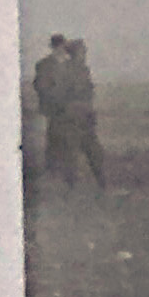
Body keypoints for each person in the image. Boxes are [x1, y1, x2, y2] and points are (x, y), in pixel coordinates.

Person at [49, 39, 107, 190]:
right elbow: (60, 94)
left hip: (85, 118)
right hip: (72, 119)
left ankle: (102, 186)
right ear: (76, 53)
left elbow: (88, 93)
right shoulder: (66, 71)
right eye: (82, 51)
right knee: (72, 155)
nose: (84, 54)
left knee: (94, 153)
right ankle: (71, 189)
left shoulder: (83, 70)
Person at [32, 34, 72, 180]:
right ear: (55, 47)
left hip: (68, 107)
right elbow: (39, 85)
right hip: (53, 108)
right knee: (54, 136)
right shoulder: (44, 65)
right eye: (59, 46)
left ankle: (64, 168)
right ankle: (52, 168)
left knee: (67, 137)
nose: (61, 49)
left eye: (62, 46)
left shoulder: (70, 65)